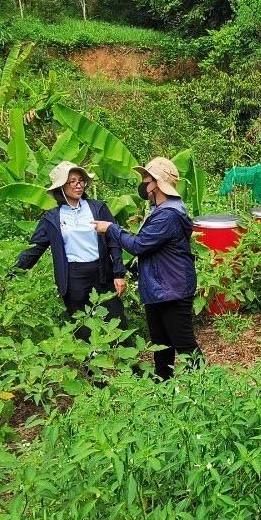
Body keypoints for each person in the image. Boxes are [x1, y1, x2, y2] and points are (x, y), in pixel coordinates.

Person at [95, 157, 201, 381]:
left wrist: (111, 229)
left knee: (183, 343)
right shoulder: (160, 210)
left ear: (157, 184)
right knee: (161, 344)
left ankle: (208, 386)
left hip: (172, 289)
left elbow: (139, 245)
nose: (143, 185)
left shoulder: (168, 215)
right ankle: (163, 385)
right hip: (159, 288)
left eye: (147, 179)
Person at [11, 161, 128, 342]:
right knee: (82, 327)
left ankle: (128, 367)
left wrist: (119, 273)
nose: (78, 185)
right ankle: (90, 368)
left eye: (81, 180)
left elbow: (114, 241)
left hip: (102, 271)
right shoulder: (52, 218)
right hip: (74, 276)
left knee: (117, 321)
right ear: (61, 187)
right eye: (71, 181)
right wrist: (11, 272)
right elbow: (35, 249)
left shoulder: (97, 208)